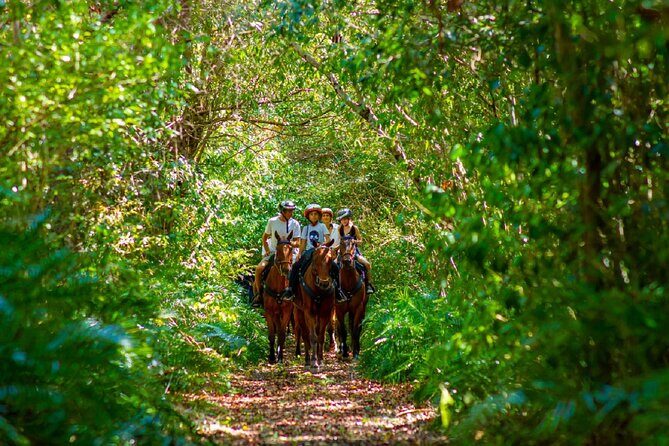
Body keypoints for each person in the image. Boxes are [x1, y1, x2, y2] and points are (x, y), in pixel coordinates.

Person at [251, 200, 301, 308]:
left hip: (289, 254)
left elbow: (298, 242)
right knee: (259, 269)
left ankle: (298, 296)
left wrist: (288, 244)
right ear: (282, 211)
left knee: (299, 272)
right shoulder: (272, 221)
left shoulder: (295, 223)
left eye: (291, 211)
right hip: (274, 251)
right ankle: (258, 295)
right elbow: (265, 237)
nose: (290, 213)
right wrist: (267, 250)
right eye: (288, 211)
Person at [283, 203, 330, 299]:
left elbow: (328, 239)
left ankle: (338, 291)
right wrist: (299, 253)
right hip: (309, 251)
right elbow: (303, 242)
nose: (314, 216)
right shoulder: (306, 228)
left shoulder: (322, 226)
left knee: (334, 266)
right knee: (296, 266)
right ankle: (291, 289)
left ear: (319, 216)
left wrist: (323, 245)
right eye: (311, 214)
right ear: (308, 216)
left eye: (316, 214)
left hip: (321, 251)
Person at [336, 208, 375, 295]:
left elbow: (361, 241)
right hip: (343, 252)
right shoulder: (339, 229)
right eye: (342, 219)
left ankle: (368, 284)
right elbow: (341, 241)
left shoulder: (354, 228)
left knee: (367, 264)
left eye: (345, 219)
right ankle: (336, 286)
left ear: (349, 218)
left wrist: (355, 241)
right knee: (334, 266)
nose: (344, 221)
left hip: (353, 252)